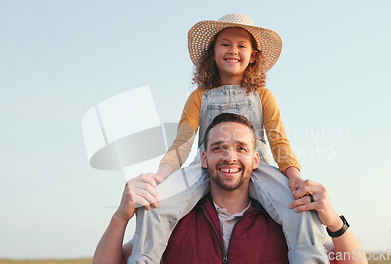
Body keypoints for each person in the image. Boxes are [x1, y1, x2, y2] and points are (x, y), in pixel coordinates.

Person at [130, 13, 327, 263]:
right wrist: (161, 176)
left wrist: (294, 176)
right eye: (225, 44)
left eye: (241, 45)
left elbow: (279, 140)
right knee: (154, 204)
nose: (232, 50)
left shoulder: (263, 96)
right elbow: (182, 143)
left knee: (299, 208)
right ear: (213, 53)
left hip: (257, 166)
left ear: (253, 55)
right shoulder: (199, 96)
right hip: (206, 166)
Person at [93, 113, 368, 264]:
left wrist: (334, 222)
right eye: (218, 148)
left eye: (241, 148)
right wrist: (120, 217)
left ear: (256, 159)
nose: (229, 157)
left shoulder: (284, 221)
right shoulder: (173, 220)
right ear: (204, 158)